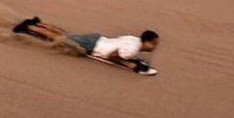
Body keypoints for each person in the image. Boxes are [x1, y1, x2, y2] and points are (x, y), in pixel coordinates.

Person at [13, 17, 160, 72]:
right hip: (93, 46)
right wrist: (129, 64)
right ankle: (29, 27)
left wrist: (129, 61)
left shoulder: (134, 39)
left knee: (66, 34)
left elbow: (119, 44)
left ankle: (38, 23)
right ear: (146, 42)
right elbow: (112, 56)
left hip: (97, 38)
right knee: (60, 38)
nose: (154, 46)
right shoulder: (133, 50)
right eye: (153, 43)